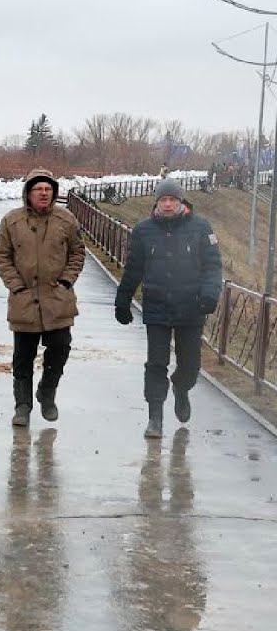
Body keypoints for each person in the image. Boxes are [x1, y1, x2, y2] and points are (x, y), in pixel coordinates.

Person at [114, 178, 223, 439]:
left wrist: (209, 294)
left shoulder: (201, 227)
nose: (167, 204)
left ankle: (181, 388)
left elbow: (212, 265)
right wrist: (123, 298)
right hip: (157, 306)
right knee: (156, 362)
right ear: (157, 202)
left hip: (191, 306)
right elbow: (133, 268)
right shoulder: (143, 230)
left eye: (173, 199)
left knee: (190, 364)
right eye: (163, 199)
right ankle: (155, 417)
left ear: (181, 201)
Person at [0, 168, 86, 427]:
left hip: (57, 298)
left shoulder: (66, 220)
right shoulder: (11, 221)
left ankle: (47, 392)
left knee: (60, 348)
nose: (43, 193)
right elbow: (1, 256)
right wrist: (16, 286)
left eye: (48, 189)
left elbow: (78, 253)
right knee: (22, 356)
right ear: (28, 193)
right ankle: (22, 406)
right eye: (38, 189)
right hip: (24, 300)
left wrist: (66, 281)